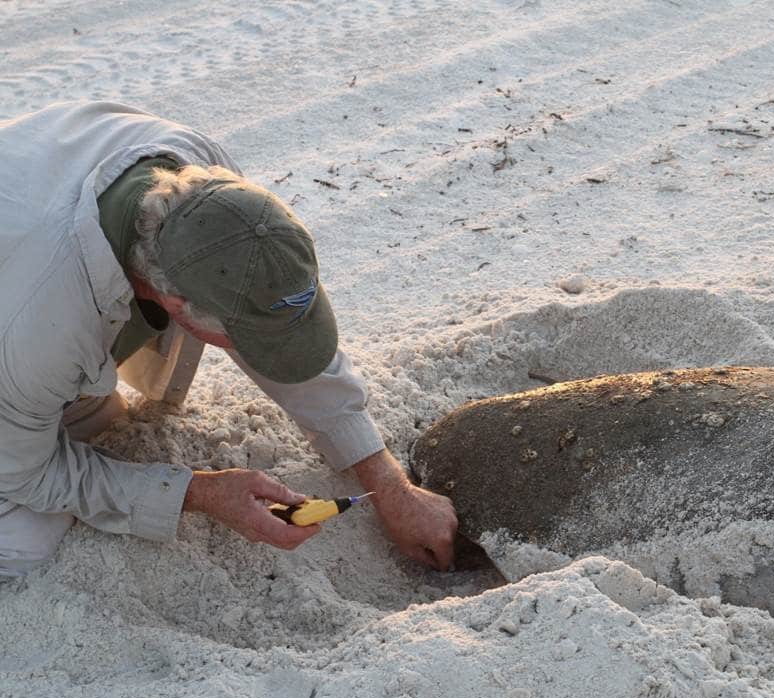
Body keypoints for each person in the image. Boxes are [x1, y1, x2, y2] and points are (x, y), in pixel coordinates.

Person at [0, 101, 457, 578]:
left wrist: (390, 486)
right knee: (26, 539)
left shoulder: (210, 189)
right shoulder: (38, 326)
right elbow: (26, 474)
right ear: (175, 305)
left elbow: (267, 303)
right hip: (19, 316)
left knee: (95, 423)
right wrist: (199, 493)